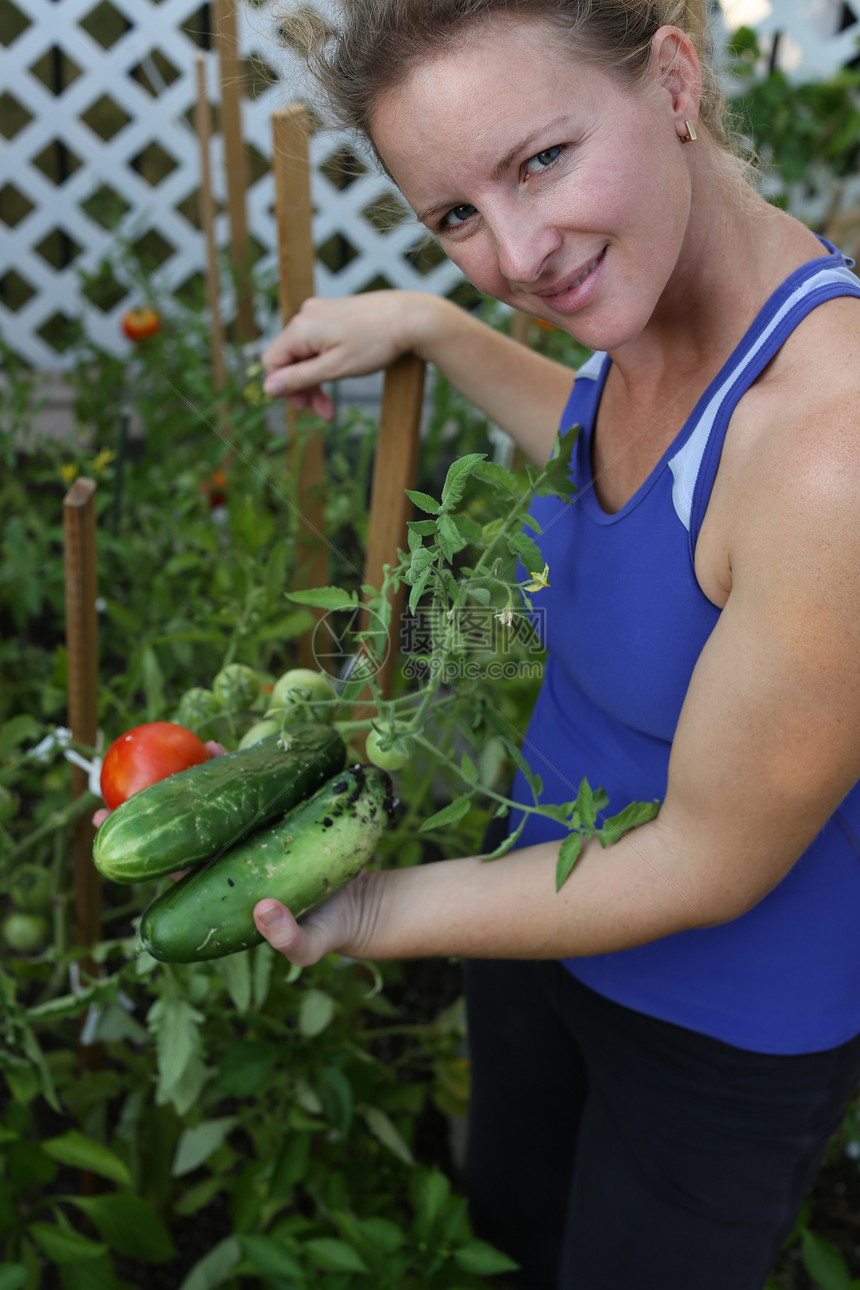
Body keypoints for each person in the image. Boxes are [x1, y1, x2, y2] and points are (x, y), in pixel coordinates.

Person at [253, 3, 860, 1286]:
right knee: (514, 1227)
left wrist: (372, 905)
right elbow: (618, 480)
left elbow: (704, 861)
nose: (518, 254)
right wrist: (435, 326)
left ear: (675, 80)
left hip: (717, 1025)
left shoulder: (828, 453)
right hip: (535, 908)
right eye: (453, 217)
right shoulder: (636, 302)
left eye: (539, 159)